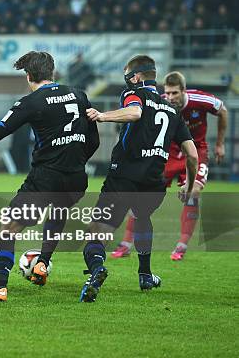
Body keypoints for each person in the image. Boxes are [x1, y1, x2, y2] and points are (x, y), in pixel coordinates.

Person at [0, 51, 99, 301]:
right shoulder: (80, 95)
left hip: (45, 178)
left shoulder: (32, 102)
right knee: (58, 211)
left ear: (29, 76)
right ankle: (42, 262)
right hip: (76, 178)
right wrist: (76, 161)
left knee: (8, 228)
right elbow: (92, 140)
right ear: (52, 71)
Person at [79, 55, 198, 303]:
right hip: (154, 183)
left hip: (124, 177)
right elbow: (193, 154)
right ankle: (145, 274)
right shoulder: (173, 111)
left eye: (128, 76)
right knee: (142, 217)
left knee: (96, 232)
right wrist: (188, 184)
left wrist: (102, 116)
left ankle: (97, 270)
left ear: (136, 77)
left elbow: (134, 112)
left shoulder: (134, 93)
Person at [111, 71, 227, 261]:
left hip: (196, 151)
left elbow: (223, 111)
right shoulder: (160, 101)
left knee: (194, 192)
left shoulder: (201, 99)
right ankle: (125, 244)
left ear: (183, 90)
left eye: (175, 93)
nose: (170, 97)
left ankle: (181, 246)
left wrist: (220, 144)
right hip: (169, 153)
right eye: (168, 93)